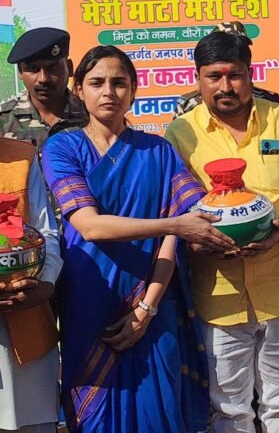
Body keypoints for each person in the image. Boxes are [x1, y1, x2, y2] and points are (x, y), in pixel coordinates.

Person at [41, 45, 235, 432]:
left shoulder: (159, 151)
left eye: (119, 83)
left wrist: (147, 308)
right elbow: (90, 226)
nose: (108, 92)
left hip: (153, 305)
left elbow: (178, 233)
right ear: (79, 90)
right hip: (88, 300)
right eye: (96, 83)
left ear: (134, 90)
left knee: (158, 411)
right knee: (94, 416)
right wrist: (174, 225)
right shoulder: (61, 148)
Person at [166, 30, 279, 432]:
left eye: (235, 75)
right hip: (218, 293)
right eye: (214, 76)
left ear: (250, 73)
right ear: (197, 78)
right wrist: (201, 240)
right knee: (228, 407)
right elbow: (177, 208)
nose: (225, 87)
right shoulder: (181, 133)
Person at [0, 139, 62, 433]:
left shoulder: (21, 157)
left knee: (30, 422)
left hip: (25, 319)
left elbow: (46, 232)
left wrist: (45, 282)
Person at [0, 27, 86, 148]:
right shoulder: (4, 120)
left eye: (52, 68)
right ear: (20, 72)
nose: (43, 78)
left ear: (69, 68)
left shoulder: (91, 115)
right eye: (33, 69)